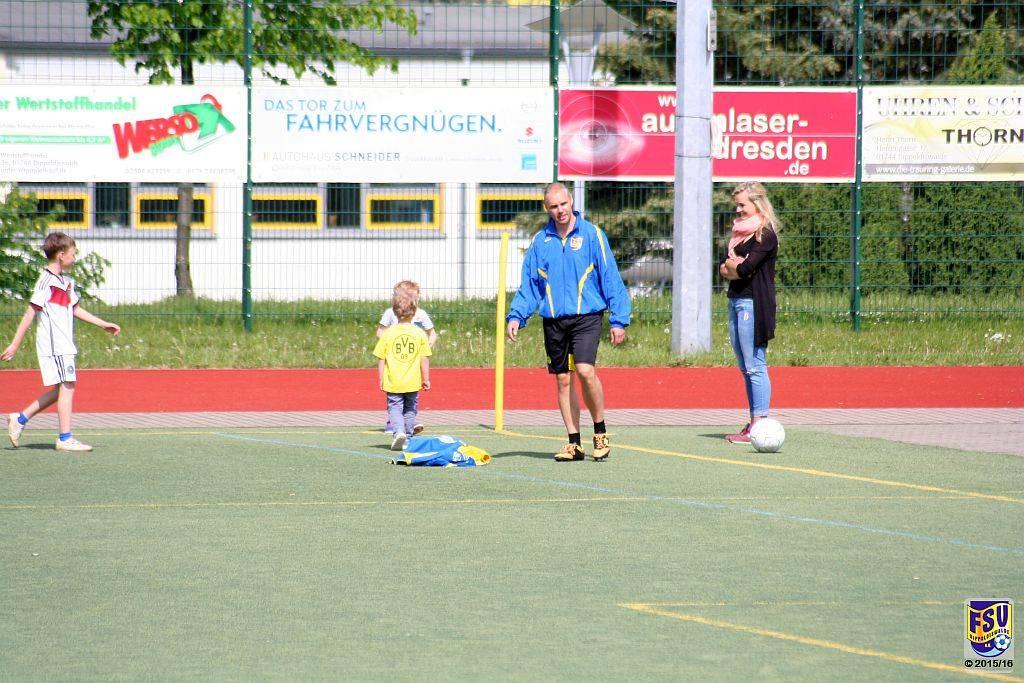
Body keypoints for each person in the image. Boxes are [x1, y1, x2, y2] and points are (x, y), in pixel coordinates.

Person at [506, 182, 631, 462]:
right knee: (563, 379)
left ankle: (600, 432)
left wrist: (619, 319)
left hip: (587, 316)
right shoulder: (541, 242)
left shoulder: (592, 234)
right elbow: (531, 284)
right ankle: (574, 443)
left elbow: (610, 277)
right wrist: (517, 315)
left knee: (585, 371)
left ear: (571, 201)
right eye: (554, 206)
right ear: (547, 208)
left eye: (563, 204)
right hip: (554, 320)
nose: (560, 210)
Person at [3, 232, 121, 452]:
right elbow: (30, 313)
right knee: (68, 386)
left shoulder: (65, 282)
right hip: (54, 345)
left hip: (65, 344)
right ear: (60, 255)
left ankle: (19, 419)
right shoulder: (46, 281)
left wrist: (102, 324)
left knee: (62, 390)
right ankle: (65, 438)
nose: (74, 258)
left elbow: (75, 309)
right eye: (72, 254)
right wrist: (15, 344)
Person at [718, 181, 780, 444]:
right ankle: (754, 422)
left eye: (742, 205)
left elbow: (744, 269)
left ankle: (759, 423)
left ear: (757, 203)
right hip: (736, 300)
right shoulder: (739, 235)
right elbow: (723, 267)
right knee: (745, 367)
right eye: (737, 205)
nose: (738, 210)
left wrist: (735, 267)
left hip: (753, 304)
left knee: (755, 366)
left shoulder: (765, 235)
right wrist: (735, 267)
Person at [376, 280, 437, 435]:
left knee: (404, 401)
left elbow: (432, 334)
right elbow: (380, 332)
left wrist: (426, 345)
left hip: (411, 364)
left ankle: (403, 429)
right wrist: (390, 344)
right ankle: (399, 427)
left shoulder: (421, 317)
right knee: (400, 401)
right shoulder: (391, 315)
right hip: (397, 361)